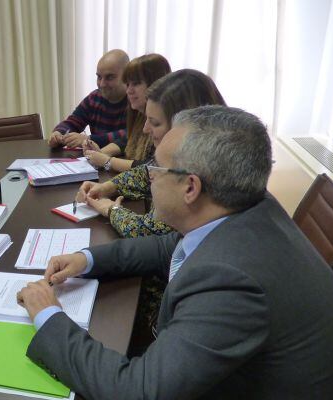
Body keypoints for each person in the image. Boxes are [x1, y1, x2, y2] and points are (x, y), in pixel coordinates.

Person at [17, 106, 333, 400]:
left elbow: (134, 398)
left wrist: (49, 315)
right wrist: (87, 259)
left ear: (191, 187)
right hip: (268, 396)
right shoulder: (250, 207)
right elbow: (171, 246)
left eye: (157, 168)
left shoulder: (232, 280)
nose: (149, 175)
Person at [79, 69, 226, 348]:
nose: (146, 129)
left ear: (184, 126)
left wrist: (112, 210)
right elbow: (147, 171)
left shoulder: (204, 181)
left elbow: (152, 233)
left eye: (154, 122)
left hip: (162, 316)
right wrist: (110, 187)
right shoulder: (200, 157)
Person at [82, 53, 171, 172]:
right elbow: (126, 140)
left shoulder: (169, 120)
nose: (129, 90)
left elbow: (152, 167)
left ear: (155, 84)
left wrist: (106, 161)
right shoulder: (139, 114)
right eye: (128, 84)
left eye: (136, 83)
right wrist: (99, 153)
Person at [48, 49, 130, 149]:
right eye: (99, 77)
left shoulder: (136, 100)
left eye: (110, 77)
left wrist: (89, 139)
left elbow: (132, 134)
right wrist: (59, 133)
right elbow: (73, 122)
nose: (102, 84)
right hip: (96, 159)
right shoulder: (94, 98)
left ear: (127, 76)